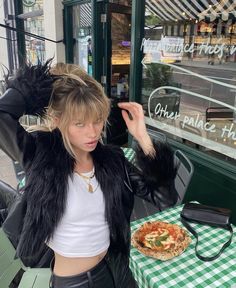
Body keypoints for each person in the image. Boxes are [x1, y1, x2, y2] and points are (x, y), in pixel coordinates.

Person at [0, 60, 178, 288]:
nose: (93, 132)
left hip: (118, 269)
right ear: (57, 121)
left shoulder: (112, 161)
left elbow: (166, 199)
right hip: (75, 282)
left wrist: (142, 137)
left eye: (97, 120)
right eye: (80, 124)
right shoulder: (41, 157)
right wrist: (39, 85)